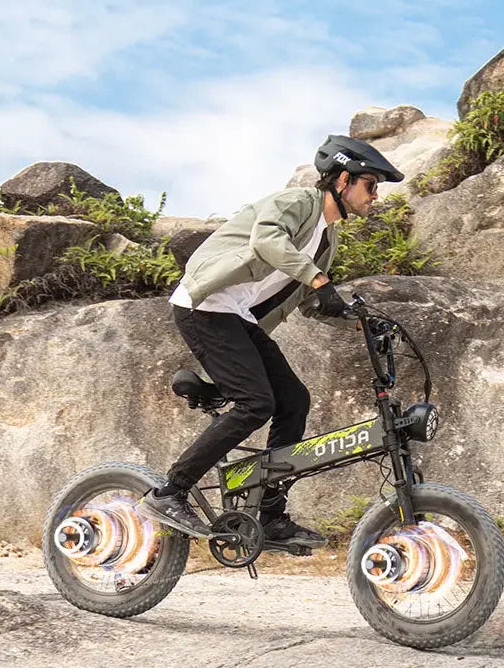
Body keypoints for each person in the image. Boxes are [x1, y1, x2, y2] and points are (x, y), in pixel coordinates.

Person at [138, 135, 404, 545]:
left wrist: (357, 322)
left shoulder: (327, 240)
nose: (374, 196)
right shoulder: (298, 203)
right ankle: (169, 492)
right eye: (371, 185)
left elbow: (310, 304)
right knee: (256, 403)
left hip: (238, 318)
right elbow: (267, 240)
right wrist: (317, 277)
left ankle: (270, 513)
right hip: (205, 305)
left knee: (294, 400)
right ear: (345, 179)